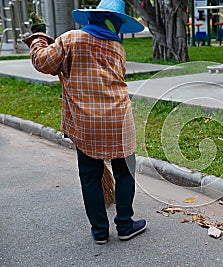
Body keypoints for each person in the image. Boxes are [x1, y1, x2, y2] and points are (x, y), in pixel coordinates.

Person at [23, 0, 147, 244]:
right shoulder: (117, 47)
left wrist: (38, 39)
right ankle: (125, 225)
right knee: (125, 173)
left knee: (90, 176)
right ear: (117, 23)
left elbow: (43, 62)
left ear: (93, 17)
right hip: (120, 119)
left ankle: (100, 231)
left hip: (87, 123)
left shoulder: (71, 39)